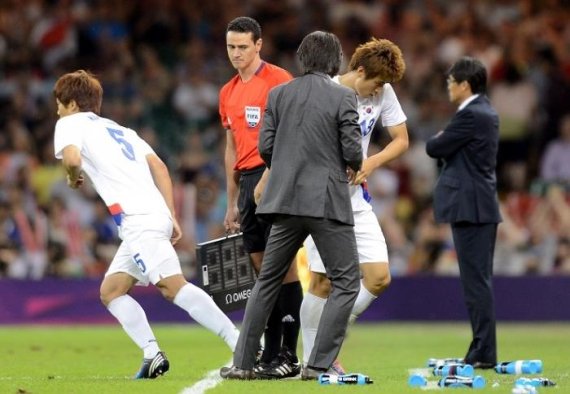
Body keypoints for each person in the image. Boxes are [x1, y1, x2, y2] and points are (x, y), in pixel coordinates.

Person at [52, 70, 239, 379]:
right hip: (151, 217)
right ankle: (152, 354)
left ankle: (240, 343)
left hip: (138, 221)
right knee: (111, 291)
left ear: (71, 103)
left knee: (172, 286)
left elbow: (72, 160)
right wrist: (171, 215)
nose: (57, 109)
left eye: (59, 103)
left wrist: (73, 178)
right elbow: (161, 168)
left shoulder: (68, 123)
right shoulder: (122, 130)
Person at [220, 30, 362, 381]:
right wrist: (346, 163)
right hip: (327, 202)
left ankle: (242, 364)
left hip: (283, 201)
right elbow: (354, 151)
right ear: (334, 61)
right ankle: (317, 364)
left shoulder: (279, 93)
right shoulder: (344, 96)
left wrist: (288, 166)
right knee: (346, 282)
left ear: (302, 59)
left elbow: (265, 146)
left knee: (266, 280)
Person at [299, 37, 408, 371]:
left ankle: (330, 338)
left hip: (356, 201)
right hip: (320, 199)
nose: (379, 91)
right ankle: (314, 358)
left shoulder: (384, 93)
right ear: (359, 70)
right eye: (376, 83)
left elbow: (402, 140)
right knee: (321, 281)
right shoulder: (325, 89)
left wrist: (370, 163)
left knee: (378, 277)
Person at [219, 16, 304, 378]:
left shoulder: (280, 81)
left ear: (258, 45)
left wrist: (269, 175)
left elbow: (293, 137)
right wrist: (230, 200)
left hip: (277, 178)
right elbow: (231, 148)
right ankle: (268, 353)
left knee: (280, 267)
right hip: (247, 184)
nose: (235, 54)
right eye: (230, 47)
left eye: (242, 47)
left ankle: (288, 353)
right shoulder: (228, 91)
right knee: (259, 269)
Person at [426, 57, 502, 369]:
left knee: (476, 283)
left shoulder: (471, 114)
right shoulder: (484, 111)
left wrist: (442, 137)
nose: (448, 87)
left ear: (464, 85)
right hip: (479, 205)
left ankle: (483, 352)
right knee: (477, 281)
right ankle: (482, 349)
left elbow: (434, 147)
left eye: (451, 82)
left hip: (471, 207)